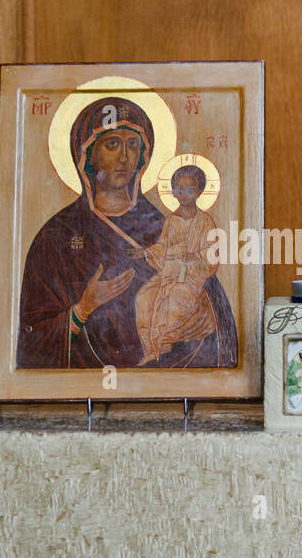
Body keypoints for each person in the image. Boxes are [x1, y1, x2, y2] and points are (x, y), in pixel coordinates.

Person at [16, 97, 237, 369]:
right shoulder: (56, 237)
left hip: (169, 380)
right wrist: (83, 309)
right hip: (86, 385)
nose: (124, 157)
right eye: (112, 145)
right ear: (88, 155)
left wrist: (205, 317)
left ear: (143, 156)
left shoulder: (165, 223)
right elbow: (32, 338)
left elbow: (216, 313)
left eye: (132, 145)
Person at [133, 165, 221, 364]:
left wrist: (193, 257)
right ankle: (150, 347)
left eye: (190, 189)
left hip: (192, 276)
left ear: (199, 191)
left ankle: (163, 341)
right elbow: (163, 247)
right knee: (144, 297)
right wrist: (146, 252)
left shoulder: (205, 221)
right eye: (179, 189)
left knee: (176, 298)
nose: (184, 194)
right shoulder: (171, 220)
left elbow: (211, 252)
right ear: (173, 192)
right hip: (168, 273)